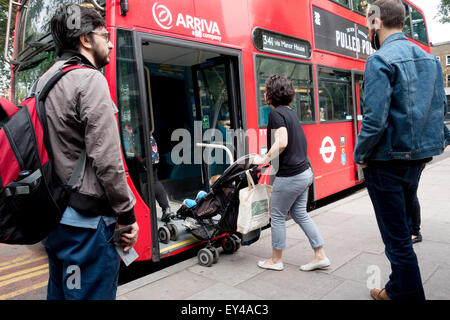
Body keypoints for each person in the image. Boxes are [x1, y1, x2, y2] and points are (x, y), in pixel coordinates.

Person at [38, 4, 138, 300]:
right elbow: (107, 160)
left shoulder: (45, 80)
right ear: (85, 39)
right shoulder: (90, 79)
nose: (109, 42)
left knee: (62, 293)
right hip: (87, 228)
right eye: (105, 35)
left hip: (54, 219)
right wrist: (127, 215)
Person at [354, 0, 450, 300]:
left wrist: (360, 156)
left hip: (385, 163)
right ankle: (395, 288)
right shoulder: (431, 60)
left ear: (376, 22)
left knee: (397, 242)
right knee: (403, 229)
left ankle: (408, 294)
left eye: (367, 20)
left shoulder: (379, 60)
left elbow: (373, 121)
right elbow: (439, 109)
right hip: (416, 160)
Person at [252, 74, 330, 272]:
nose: (264, 92)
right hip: (305, 173)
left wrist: (263, 159)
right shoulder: (290, 113)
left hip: (291, 176)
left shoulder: (276, 114)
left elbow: (283, 142)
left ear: (271, 93)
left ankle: (276, 260)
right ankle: (320, 254)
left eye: (266, 89)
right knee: (299, 213)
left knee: (277, 214)